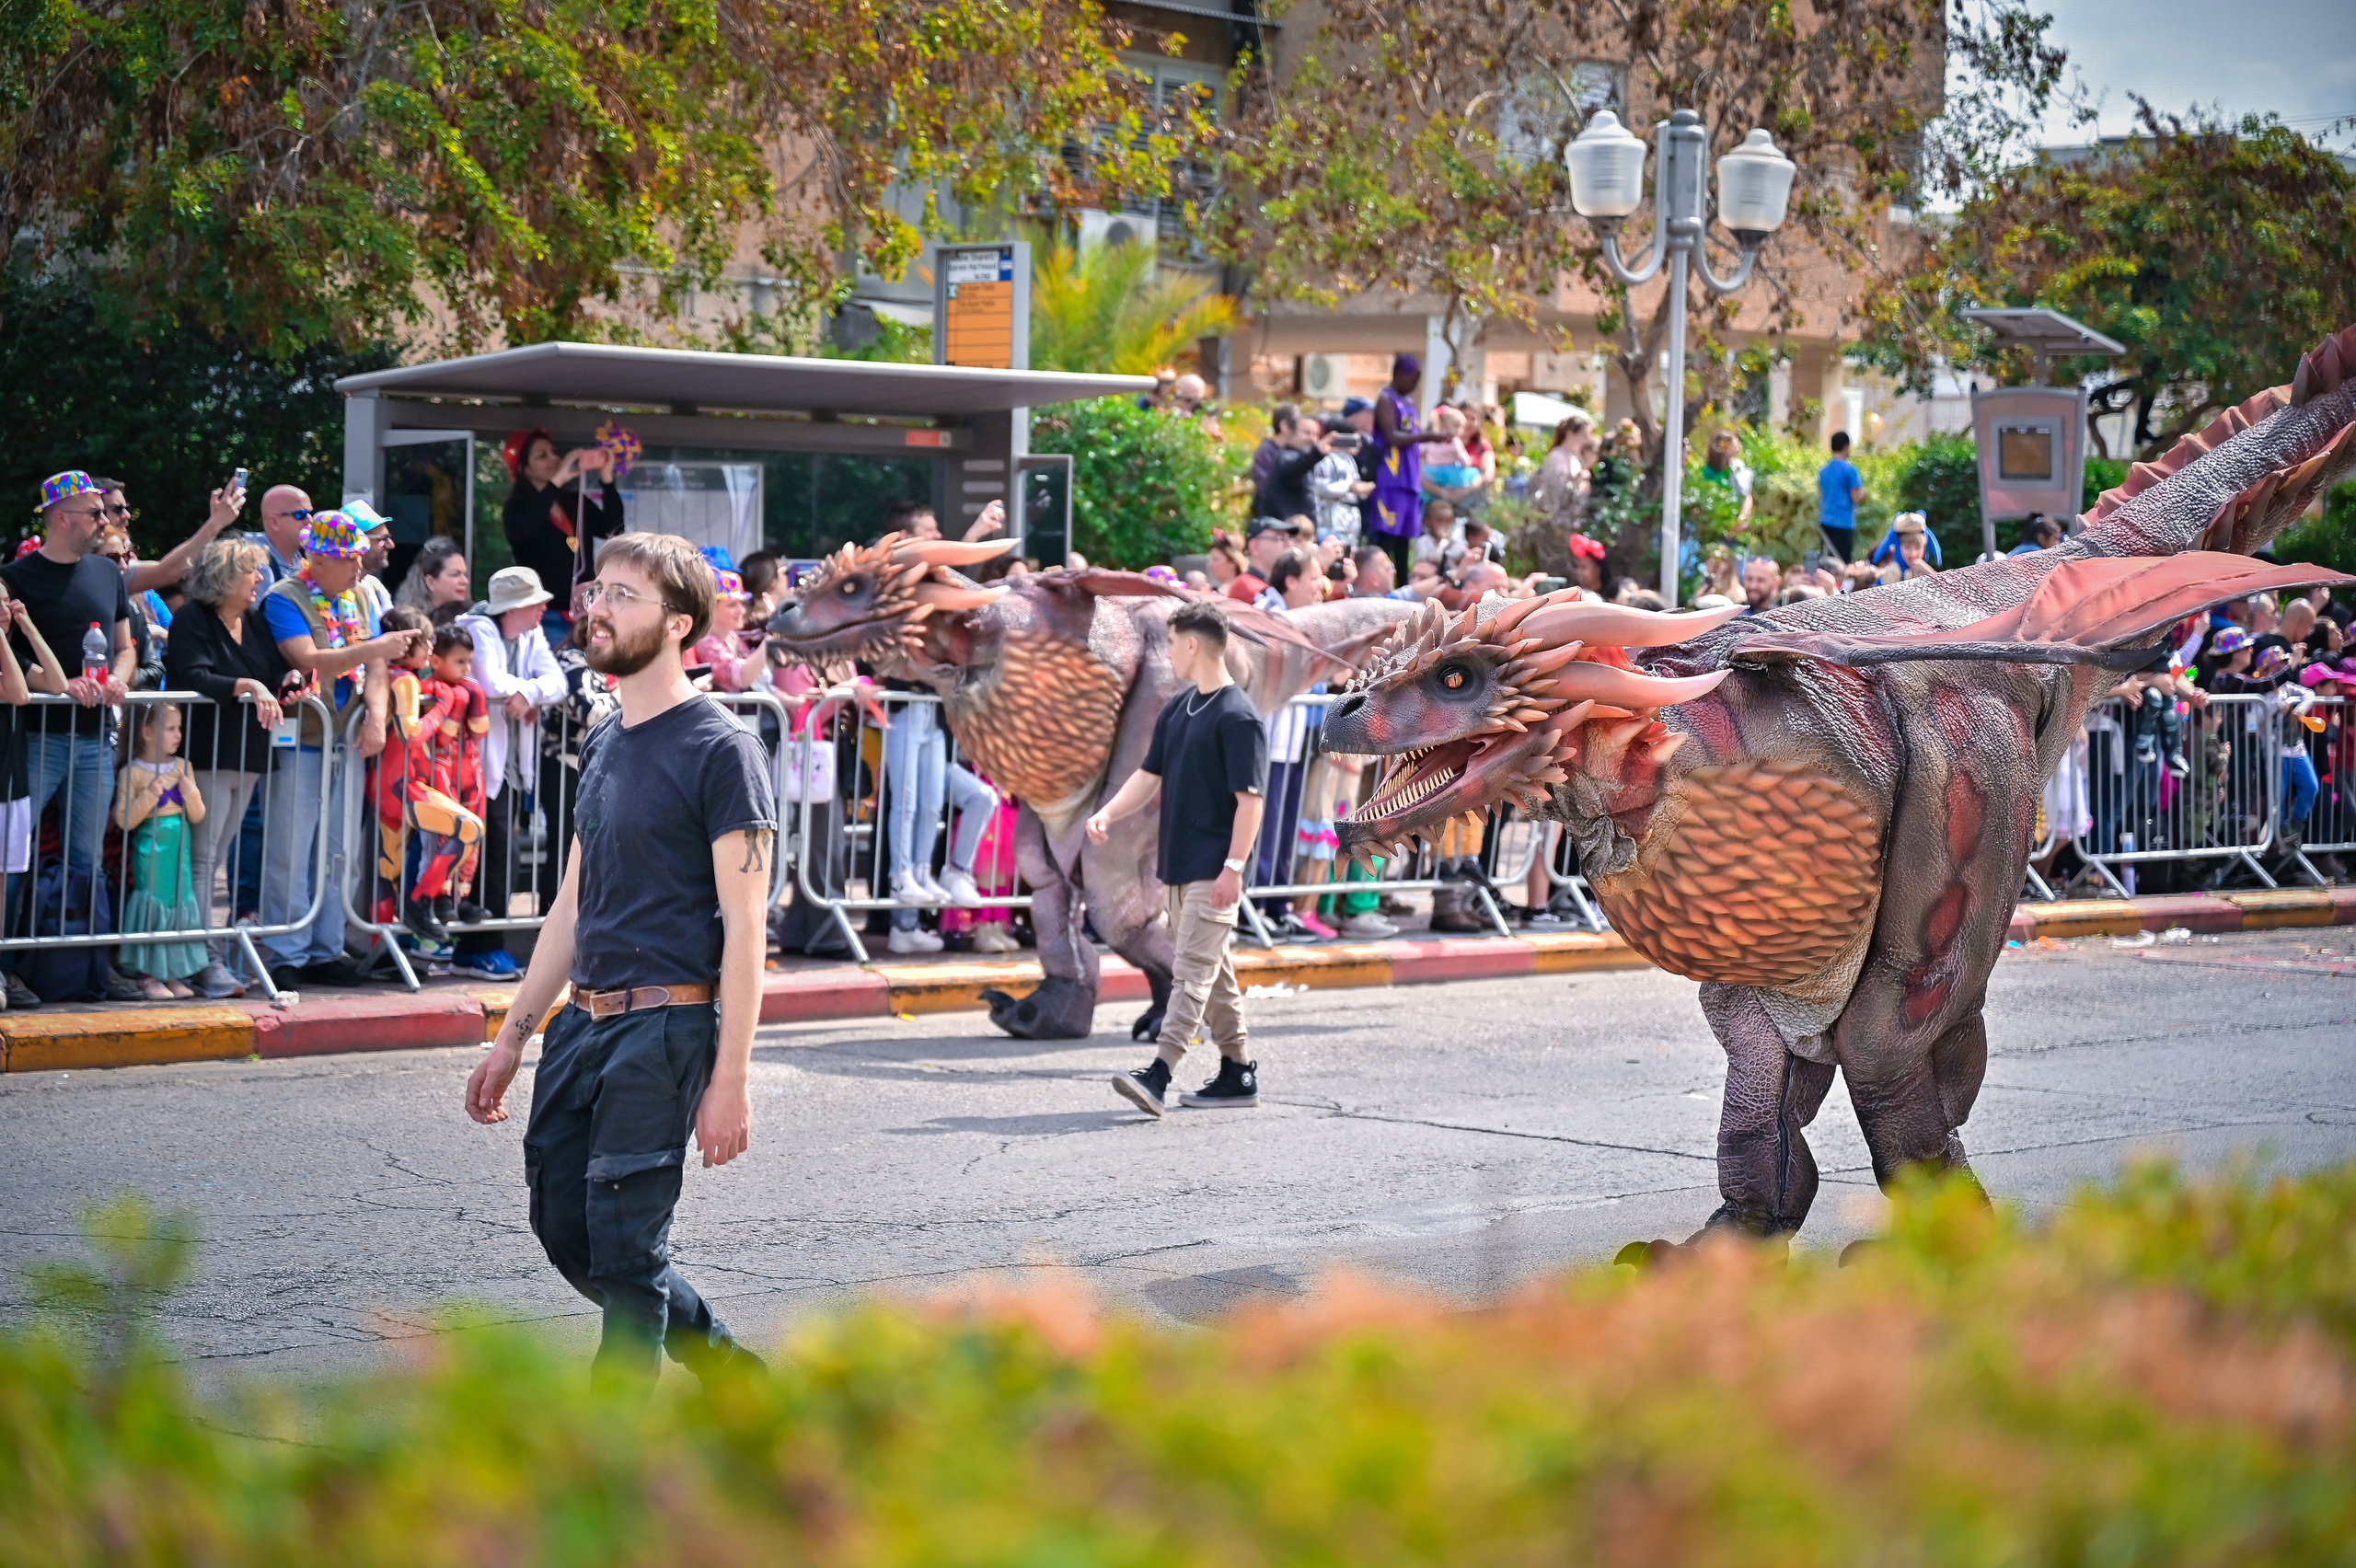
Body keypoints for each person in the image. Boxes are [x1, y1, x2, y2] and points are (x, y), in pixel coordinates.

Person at [465, 530, 772, 1387]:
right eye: (598, 591)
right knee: (570, 1231)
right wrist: (513, 1034)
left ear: (678, 624)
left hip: (665, 1027)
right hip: (582, 1025)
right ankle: (736, 1377)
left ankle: (614, 1456)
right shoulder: (603, 739)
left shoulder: (722, 750)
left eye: (622, 596)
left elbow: (747, 932)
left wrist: (732, 1080)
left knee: (629, 1251)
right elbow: (571, 902)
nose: (596, 608)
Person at [1090, 599, 1268, 1115]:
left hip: (1215, 869)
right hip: (1179, 865)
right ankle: (1237, 1072)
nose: (1167, 651)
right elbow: (1149, 776)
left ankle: (1160, 1073)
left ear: (1192, 644)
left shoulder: (1239, 717)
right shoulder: (1179, 708)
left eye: (1171, 642)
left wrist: (1233, 868)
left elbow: (1250, 802)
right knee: (1215, 974)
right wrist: (1108, 813)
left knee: (1190, 975)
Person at [257, 511, 425, 989]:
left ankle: (326, 948)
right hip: (302, 740)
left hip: (346, 737)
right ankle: (285, 948)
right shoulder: (283, 597)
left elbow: (377, 666)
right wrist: (378, 648)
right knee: (292, 845)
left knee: (341, 848)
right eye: (350, 560)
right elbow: (307, 658)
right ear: (321, 558)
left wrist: (375, 716)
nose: (359, 567)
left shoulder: (366, 593)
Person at [6, 473, 144, 1000]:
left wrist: (118, 683)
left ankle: (87, 965)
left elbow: (127, 648)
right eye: (96, 512)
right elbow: (9, 655)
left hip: (93, 740)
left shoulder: (107, 575)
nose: (106, 521)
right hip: (36, 737)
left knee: (87, 860)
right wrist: (58, 686)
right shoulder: (15, 578)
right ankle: (8, 966)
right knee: (12, 857)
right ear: (62, 517)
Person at [164, 538, 290, 1000]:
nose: (260, 579)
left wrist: (285, 681)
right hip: (208, 754)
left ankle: (205, 955)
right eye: (252, 571)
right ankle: (203, 958)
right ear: (226, 575)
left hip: (247, 754)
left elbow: (274, 671)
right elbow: (194, 675)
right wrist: (250, 684)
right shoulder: (192, 619)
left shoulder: (252, 621)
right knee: (203, 861)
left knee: (215, 859)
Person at [452, 565, 565, 981]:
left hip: (510, 768)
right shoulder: (479, 628)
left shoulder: (530, 635)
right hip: (476, 764)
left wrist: (530, 692)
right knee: (491, 851)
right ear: (515, 607)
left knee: (501, 851)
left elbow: (556, 681)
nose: (544, 609)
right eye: (537, 602)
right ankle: (481, 946)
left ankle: (478, 946)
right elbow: (490, 681)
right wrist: (525, 689)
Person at [111, 701, 208, 999]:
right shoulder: (133, 772)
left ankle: (173, 972)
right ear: (148, 733)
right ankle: (148, 974)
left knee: (179, 904)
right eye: (170, 728)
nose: (178, 734)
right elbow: (125, 820)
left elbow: (198, 815)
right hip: (150, 850)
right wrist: (150, 797)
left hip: (180, 850)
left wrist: (192, 795)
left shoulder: (183, 767)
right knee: (153, 905)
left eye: (178, 728)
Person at [0, 577, 64, 1009]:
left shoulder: (12, 652)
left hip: (11, 784)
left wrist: (27, 628)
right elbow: (19, 694)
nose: (4, 608)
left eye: (6, 600)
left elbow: (57, 682)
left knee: (5, 881)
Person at [502, 427, 622, 641]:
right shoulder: (517, 507)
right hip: (544, 615)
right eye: (542, 456)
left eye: (554, 453)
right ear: (524, 469)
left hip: (585, 612)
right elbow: (525, 529)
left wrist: (607, 478)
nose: (553, 459)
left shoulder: (574, 502)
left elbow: (613, 529)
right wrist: (555, 483)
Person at [1369, 355, 1454, 580]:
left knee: (1403, 542)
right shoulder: (1386, 399)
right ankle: (1379, 583)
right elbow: (1392, 437)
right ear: (1398, 374)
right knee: (1386, 539)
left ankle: (1403, 585)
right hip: (1391, 478)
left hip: (1410, 479)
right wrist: (1429, 436)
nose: (1415, 384)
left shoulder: (1408, 403)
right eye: (1412, 378)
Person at [1309, 428, 1370, 546]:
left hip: (1352, 511)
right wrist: (1349, 488)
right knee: (1336, 546)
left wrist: (1363, 489)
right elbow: (1320, 487)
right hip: (1335, 509)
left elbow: (1356, 481)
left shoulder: (1349, 459)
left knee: (1352, 549)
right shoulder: (1325, 459)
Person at [396, 536, 472, 621]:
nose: (465, 581)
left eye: (465, 574)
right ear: (430, 582)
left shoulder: (472, 619)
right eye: (455, 574)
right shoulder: (411, 623)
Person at [1816, 431, 1864, 562]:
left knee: (1827, 561)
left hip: (1825, 520)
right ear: (1846, 446)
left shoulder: (1824, 470)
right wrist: (1863, 495)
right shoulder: (1850, 470)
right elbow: (1856, 497)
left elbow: (1821, 493)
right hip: (1843, 522)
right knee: (1842, 564)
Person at [250, 485, 313, 582]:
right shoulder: (250, 561)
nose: (310, 520)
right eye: (301, 514)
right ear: (274, 522)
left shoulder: (300, 561)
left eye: (310, 513)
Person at [1698, 431, 1754, 525]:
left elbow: (1746, 495)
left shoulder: (1737, 467)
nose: (1738, 447)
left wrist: (1742, 517)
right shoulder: (1707, 472)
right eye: (1734, 445)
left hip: (1735, 521)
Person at [1877, 513, 1937, 584]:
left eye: (1918, 547)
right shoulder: (1892, 571)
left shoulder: (1923, 570)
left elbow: (1943, 588)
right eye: (1907, 547)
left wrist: (1927, 571)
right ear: (1898, 547)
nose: (1913, 553)